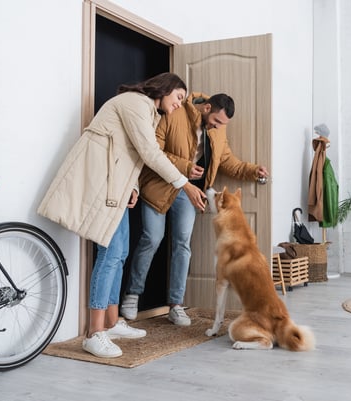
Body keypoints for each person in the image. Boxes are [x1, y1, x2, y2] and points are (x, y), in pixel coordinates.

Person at [38, 73, 207, 359]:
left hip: (116, 184)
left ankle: (112, 322)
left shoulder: (148, 112)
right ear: (165, 89)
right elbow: (149, 152)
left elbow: (130, 155)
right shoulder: (135, 103)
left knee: (121, 251)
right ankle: (94, 333)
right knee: (111, 254)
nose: (180, 104)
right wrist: (185, 184)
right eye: (178, 97)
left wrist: (132, 186)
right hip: (102, 182)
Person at [120, 92, 269, 326]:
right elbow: (152, 148)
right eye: (217, 121)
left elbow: (227, 161)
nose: (218, 127)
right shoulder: (175, 113)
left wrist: (252, 171)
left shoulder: (218, 130)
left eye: (222, 125)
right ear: (206, 107)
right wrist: (185, 166)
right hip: (160, 185)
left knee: (183, 244)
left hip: (189, 194)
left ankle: (176, 305)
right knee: (152, 238)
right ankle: (132, 294)